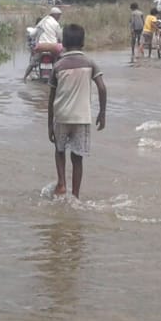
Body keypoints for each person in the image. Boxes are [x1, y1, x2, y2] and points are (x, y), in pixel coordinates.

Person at [47, 24, 107, 198]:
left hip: (61, 116)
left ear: (63, 43)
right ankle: (75, 195)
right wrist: (102, 113)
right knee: (77, 157)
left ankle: (61, 184)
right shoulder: (90, 63)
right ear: (83, 42)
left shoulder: (58, 66)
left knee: (59, 151)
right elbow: (102, 88)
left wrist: (49, 124)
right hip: (82, 118)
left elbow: (51, 98)